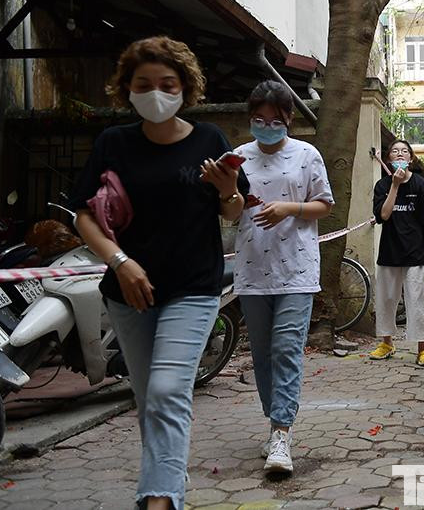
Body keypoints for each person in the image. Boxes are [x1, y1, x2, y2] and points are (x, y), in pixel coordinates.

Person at [68, 36, 250, 510]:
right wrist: (120, 261)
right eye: (143, 83)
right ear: (126, 87)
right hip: (128, 291)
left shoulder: (210, 139)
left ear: (185, 88)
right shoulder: (114, 143)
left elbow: (233, 213)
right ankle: (166, 491)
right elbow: (83, 214)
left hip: (193, 286)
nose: (155, 93)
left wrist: (228, 189)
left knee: (168, 391)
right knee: (152, 397)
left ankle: (158, 500)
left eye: (167, 84)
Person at [233, 81, 334, 473]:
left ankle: (280, 433)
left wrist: (288, 208)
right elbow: (229, 211)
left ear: (289, 119)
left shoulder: (307, 154)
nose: (267, 126)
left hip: (297, 269)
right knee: (261, 355)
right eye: (259, 119)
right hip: (252, 267)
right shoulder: (238, 156)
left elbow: (324, 205)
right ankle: (274, 422)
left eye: (276, 120)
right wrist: (228, 192)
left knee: (286, 350)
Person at [368, 141, 424, 368]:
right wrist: (395, 186)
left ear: (411, 158)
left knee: (416, 301)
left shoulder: (421, 185)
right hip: (389, 252)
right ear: (389, 159)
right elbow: (385, 215)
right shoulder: (382, 185)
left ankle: (422, 348)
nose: (400, 154)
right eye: (395, 151)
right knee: (387, 300)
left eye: (404, 151)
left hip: (414, 253)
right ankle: (387, 343)